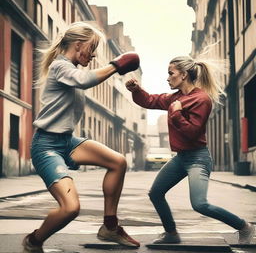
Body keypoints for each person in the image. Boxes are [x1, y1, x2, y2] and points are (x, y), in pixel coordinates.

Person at [22, 22, 141, 253]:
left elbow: (84, 79)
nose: (94, 54)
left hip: (67, 142)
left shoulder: (71, 69)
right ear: (78, 45)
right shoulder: (60, 66)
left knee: (118, 162)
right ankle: (34, 241)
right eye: (92, 47)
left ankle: (110, 227)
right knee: (70, 208)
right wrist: (117, 64)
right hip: (46, 146)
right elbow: (85, 80)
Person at [125, 55, 255, 244]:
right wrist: (136, 90)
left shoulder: (201, 99)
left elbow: (193, 133)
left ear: (184, 75)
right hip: (181, 158)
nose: (168, 78)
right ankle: (171, 234)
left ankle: (244, 226)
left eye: (171, 73)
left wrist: (176, 113)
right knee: (156, 193)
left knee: (200, 204)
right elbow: (151, 101)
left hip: (198, 159)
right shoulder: (175, 98)